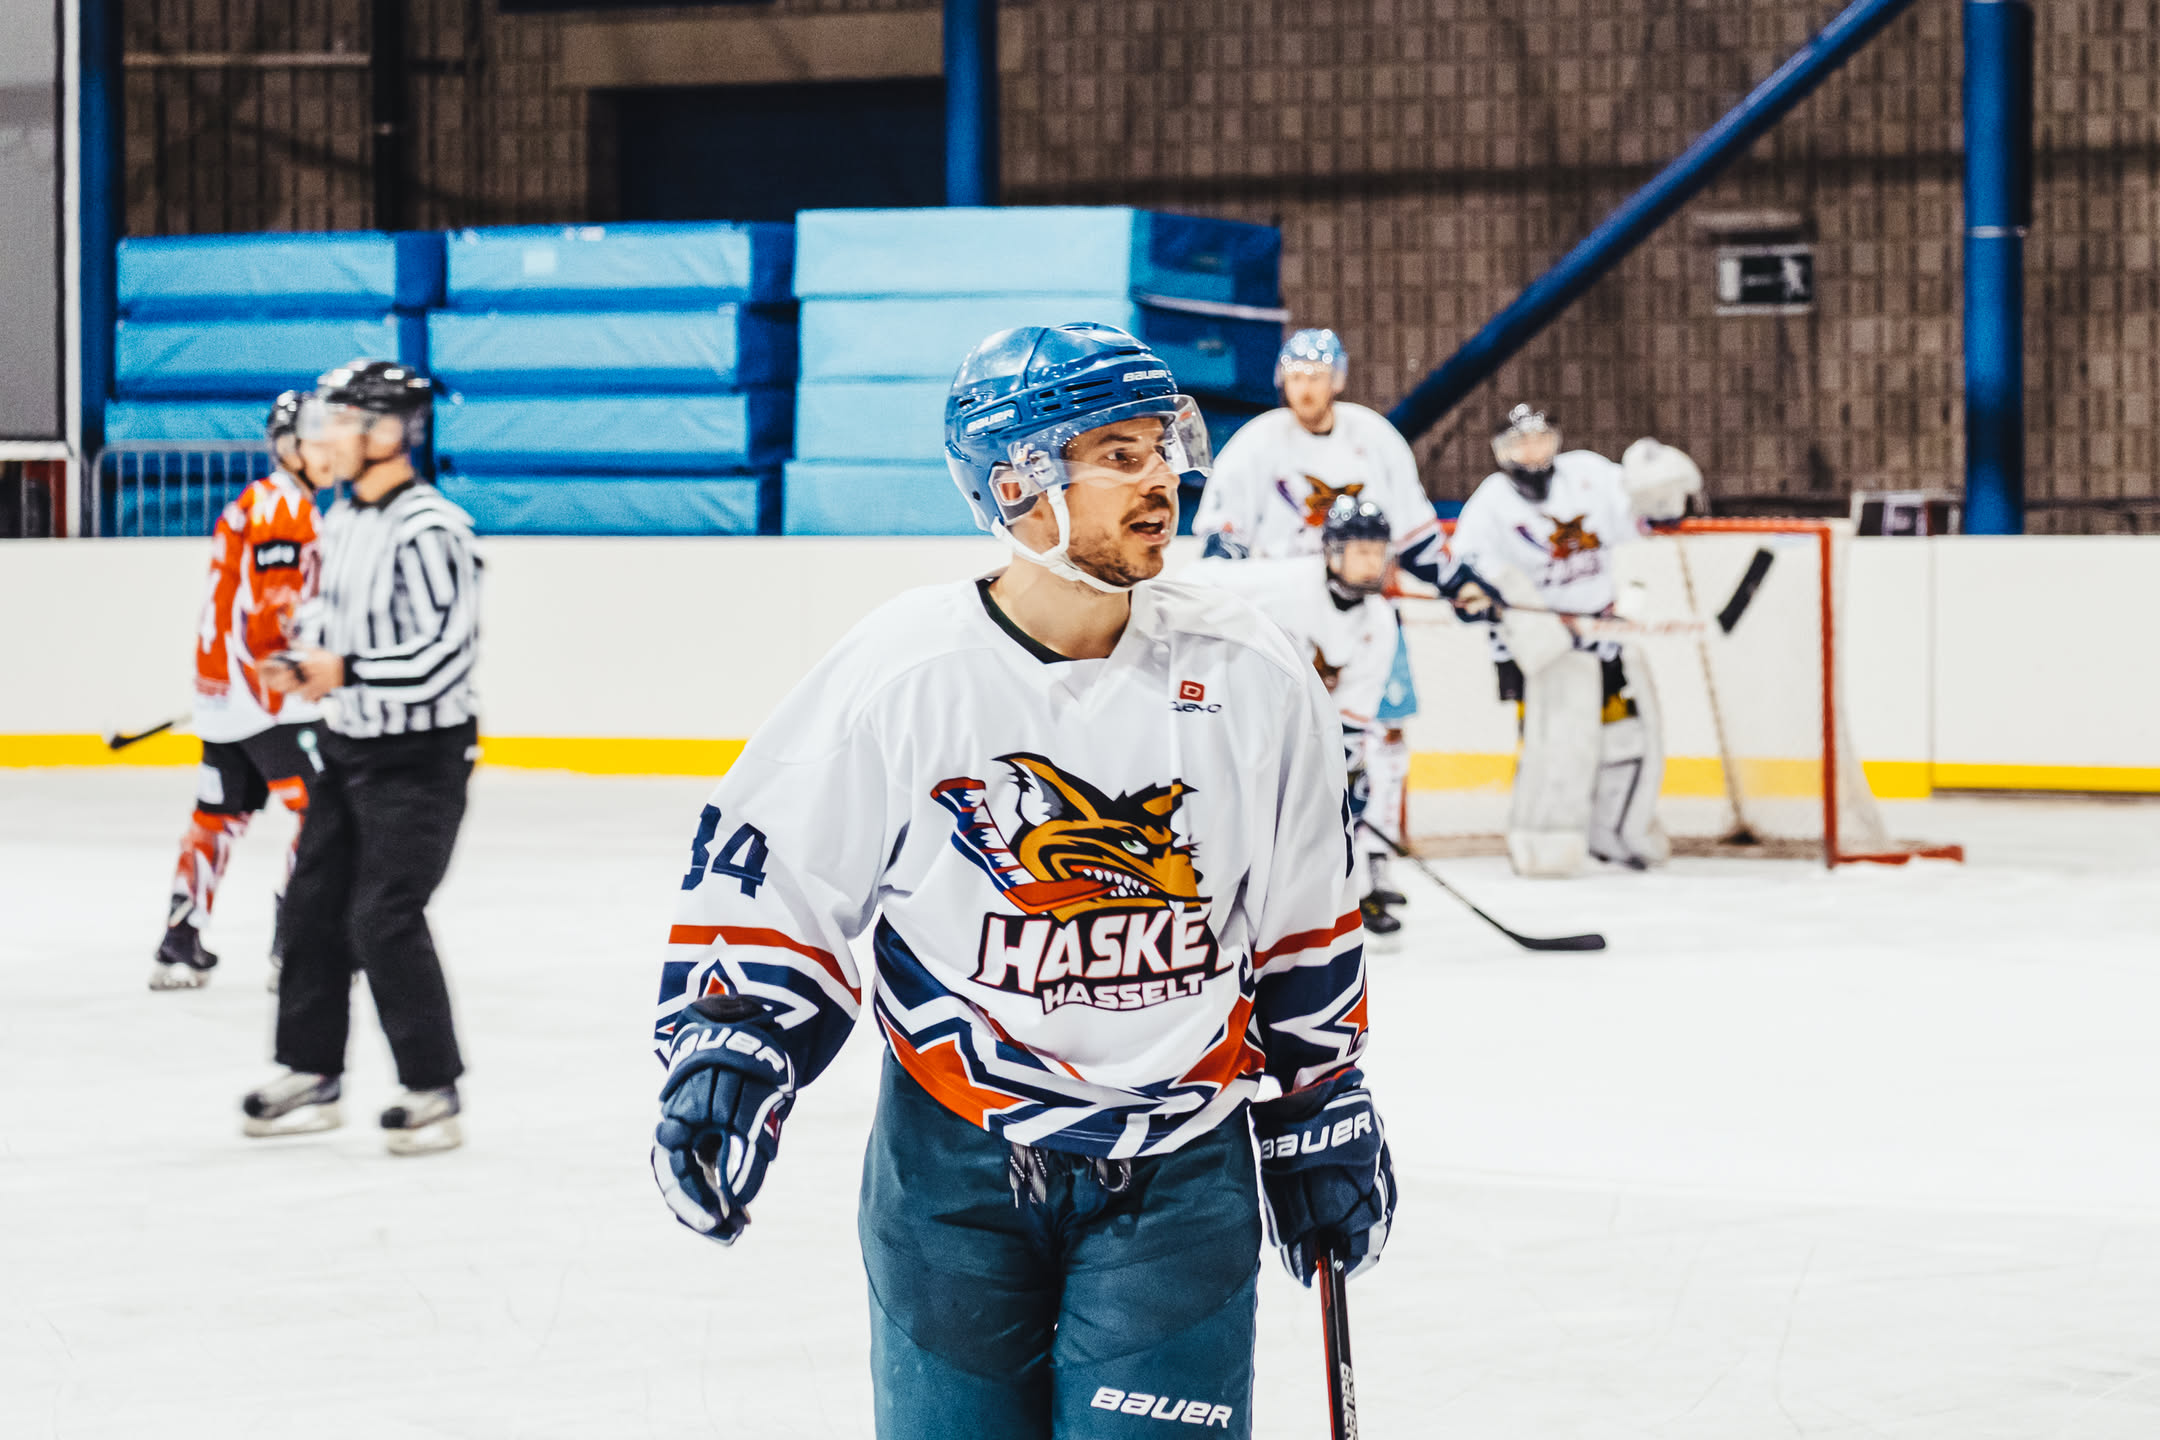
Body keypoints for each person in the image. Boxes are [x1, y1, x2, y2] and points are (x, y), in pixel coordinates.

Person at [648, 323, 1395, 1439]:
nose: (1162, 478)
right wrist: (732, 1044)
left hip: (1183, 1167)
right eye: (1120, 454)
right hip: (951, 1163)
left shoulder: (1251, 669)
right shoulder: (903, 670)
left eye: (1164, 445)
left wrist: (1319, 1096)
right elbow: (777, 876)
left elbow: (1304, 911)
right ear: (1016, 484)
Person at [240, 360, 482, 1155]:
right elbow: (326, 615)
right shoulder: (340, 520)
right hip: (347, 748)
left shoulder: (434, 528)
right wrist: (303, 656)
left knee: (384, 914)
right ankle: (311, 1070)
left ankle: (432, 1088)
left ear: (388, 430)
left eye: (342, 421)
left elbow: (444, 655)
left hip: (420, 758)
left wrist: (344, 669)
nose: (327, 437)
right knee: (310, 907)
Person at [1191, 328, 1442, 905]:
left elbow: (1417, 534)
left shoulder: (1373, 437)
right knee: (1270, 738)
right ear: (1283, 381)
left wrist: (1460, 582)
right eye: (1298, 377)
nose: (1307, 389)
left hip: (1362, 607)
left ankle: (1371, 860)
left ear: (1338, 380)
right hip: (1282, 613)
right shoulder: (1258, 442)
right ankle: (1268, 861)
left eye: (1318, 376)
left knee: (1379, 734)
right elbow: (1221, 544)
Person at [1442, 404, 1701, 876]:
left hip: (1602, 636)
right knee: (1555, 747)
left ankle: (1616, 833)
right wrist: (1483, 598)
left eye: (1541, 439)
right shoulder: (1490, 505)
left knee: (1626, 739)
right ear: (1502, 452)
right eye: (1521, 443)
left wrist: (1661, 497)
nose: (1532, 451)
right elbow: (1468, 579)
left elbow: (1642, 515)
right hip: (1542, 648)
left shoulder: (1588, 474)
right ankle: (1543, 845)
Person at [152, 390, 327, 991]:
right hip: (268, 699)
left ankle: (179, 944)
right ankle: (299, 948)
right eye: (316, 442)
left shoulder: (253, 502)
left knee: (217, 817)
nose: (329, 452)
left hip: (223, 698)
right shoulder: (285, 507)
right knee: (327, 811)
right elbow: (272, 610)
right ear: (289, 448)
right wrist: (295, 677)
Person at [1188, 496, 1403, 937]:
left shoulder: (1379, 620)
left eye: (1377, 552)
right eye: (1361, 551)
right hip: (1240, 717)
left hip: (1303, 728)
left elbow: (1355, 709)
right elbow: (1196, 581)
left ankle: (1345, 897)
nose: (1371, 563)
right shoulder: (1285, 581)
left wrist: (1345, 764)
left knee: (1349, 797)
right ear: (1332, 552)